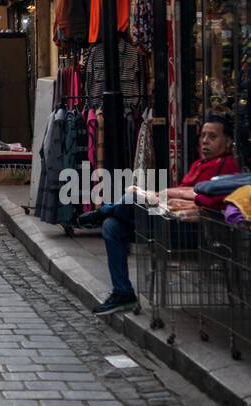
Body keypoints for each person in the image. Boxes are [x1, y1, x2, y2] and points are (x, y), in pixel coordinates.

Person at [80, 114, 240, 315]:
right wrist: (164, 197)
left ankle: (103, 211)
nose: (205, 141)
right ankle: (123, 293)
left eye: (212, 137)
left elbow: (204, 199)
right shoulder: (199, 164)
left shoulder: (228, 167)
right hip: (171, 222)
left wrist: (163, 196)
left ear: (228, 142)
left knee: (131, 198)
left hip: (196, 232)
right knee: (112, 226)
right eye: (203, 136)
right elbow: (183, 193)